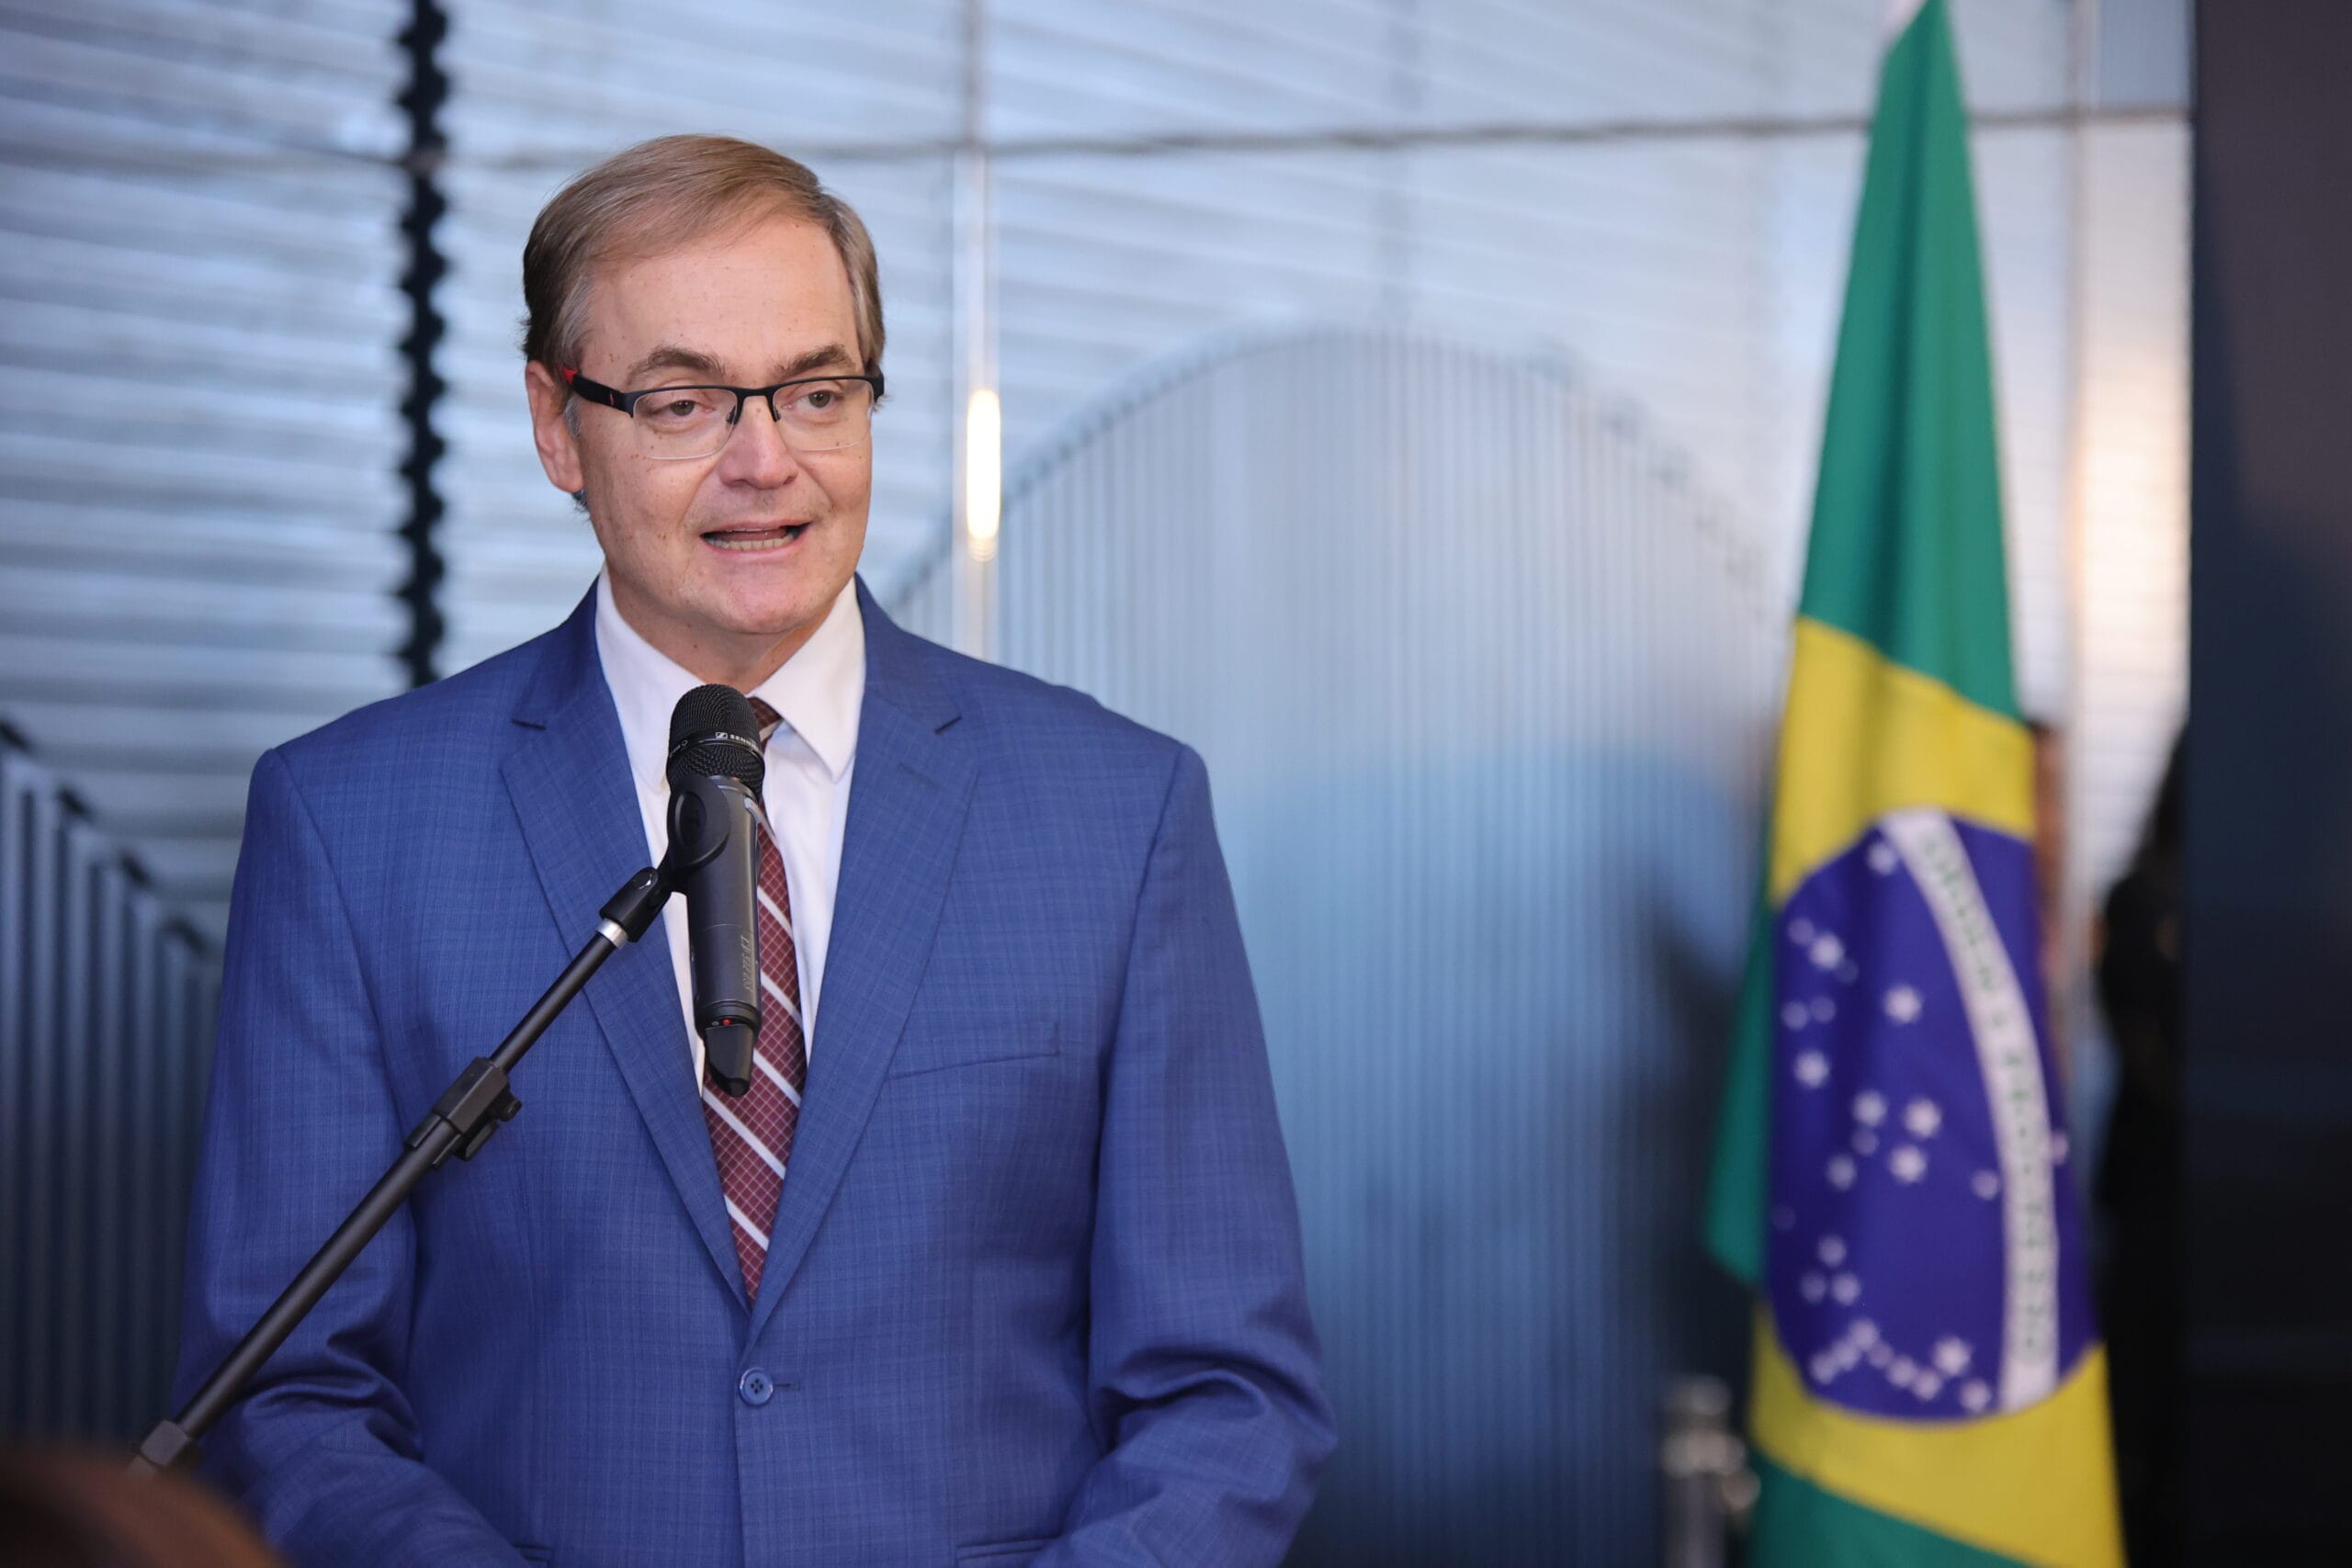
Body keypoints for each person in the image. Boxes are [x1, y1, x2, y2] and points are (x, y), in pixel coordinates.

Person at [174, 133, 1332, 1567]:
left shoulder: (1116, 812)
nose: (766, 460)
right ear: (557, 425)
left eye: (816, 392)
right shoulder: (350, 823)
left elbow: (1227, 1395)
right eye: (684, 402)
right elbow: (287, 1394)